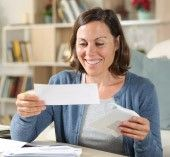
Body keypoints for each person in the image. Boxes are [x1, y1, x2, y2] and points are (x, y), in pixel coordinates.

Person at [11, 7, 163, 156]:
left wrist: (144, 139)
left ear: (116, 43)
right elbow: (20, 138)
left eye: (99, 43)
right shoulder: (62, 83)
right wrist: (25, 114)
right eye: (83, 44)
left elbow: (155, 154)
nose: (89, 53)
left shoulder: (143, 90)